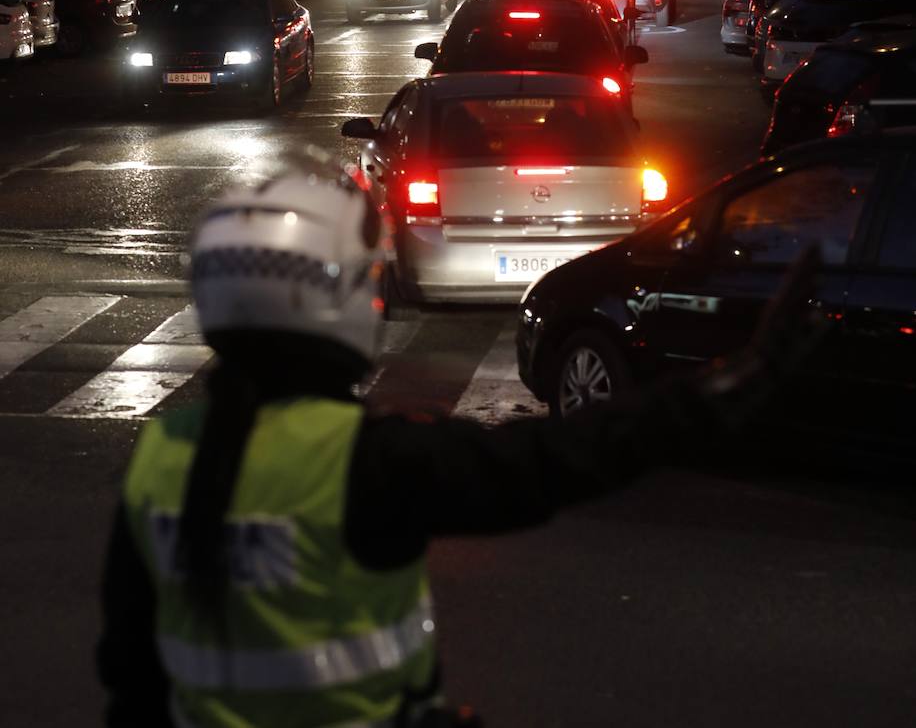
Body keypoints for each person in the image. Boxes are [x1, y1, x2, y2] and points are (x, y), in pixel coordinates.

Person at [97, 148, 821, 728]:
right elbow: (555, 463)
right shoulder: (368, 461)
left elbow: (129, 670)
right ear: (346, 297)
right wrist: (711, 395)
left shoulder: (164, 456)